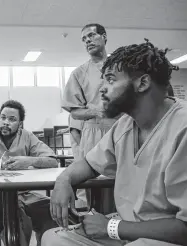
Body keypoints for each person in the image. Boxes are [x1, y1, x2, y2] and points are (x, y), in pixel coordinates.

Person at [42, 40, 187, 246]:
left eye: (110, 80)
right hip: (128, 230)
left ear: (142, 83)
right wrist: (64, 180)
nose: (102, 89)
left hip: (164, 238)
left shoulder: (182, 128)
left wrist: (112, 227)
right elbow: (90, 164)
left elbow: (184, 228)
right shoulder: (126, 124)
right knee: (54, 239)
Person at [0, 100, 59, 246]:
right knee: (17, 219)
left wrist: (29, 161)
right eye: (3, 117)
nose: (5, 122)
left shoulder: (27, 136)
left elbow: (52, 160)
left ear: (20, 124)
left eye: (12, 119)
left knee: (52, 211)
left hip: (23, 193)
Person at [62, 23, 120, 206]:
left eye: (91, 35)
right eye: (84, 39)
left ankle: (126, 225)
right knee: (93, 180)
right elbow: (74, 112)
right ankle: (95, 219)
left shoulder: (121, 66)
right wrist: (96, 111)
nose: (87, 40)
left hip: (121, 127)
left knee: (125, 176)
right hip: (93, 130)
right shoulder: (79, 73)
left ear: (104, 37)